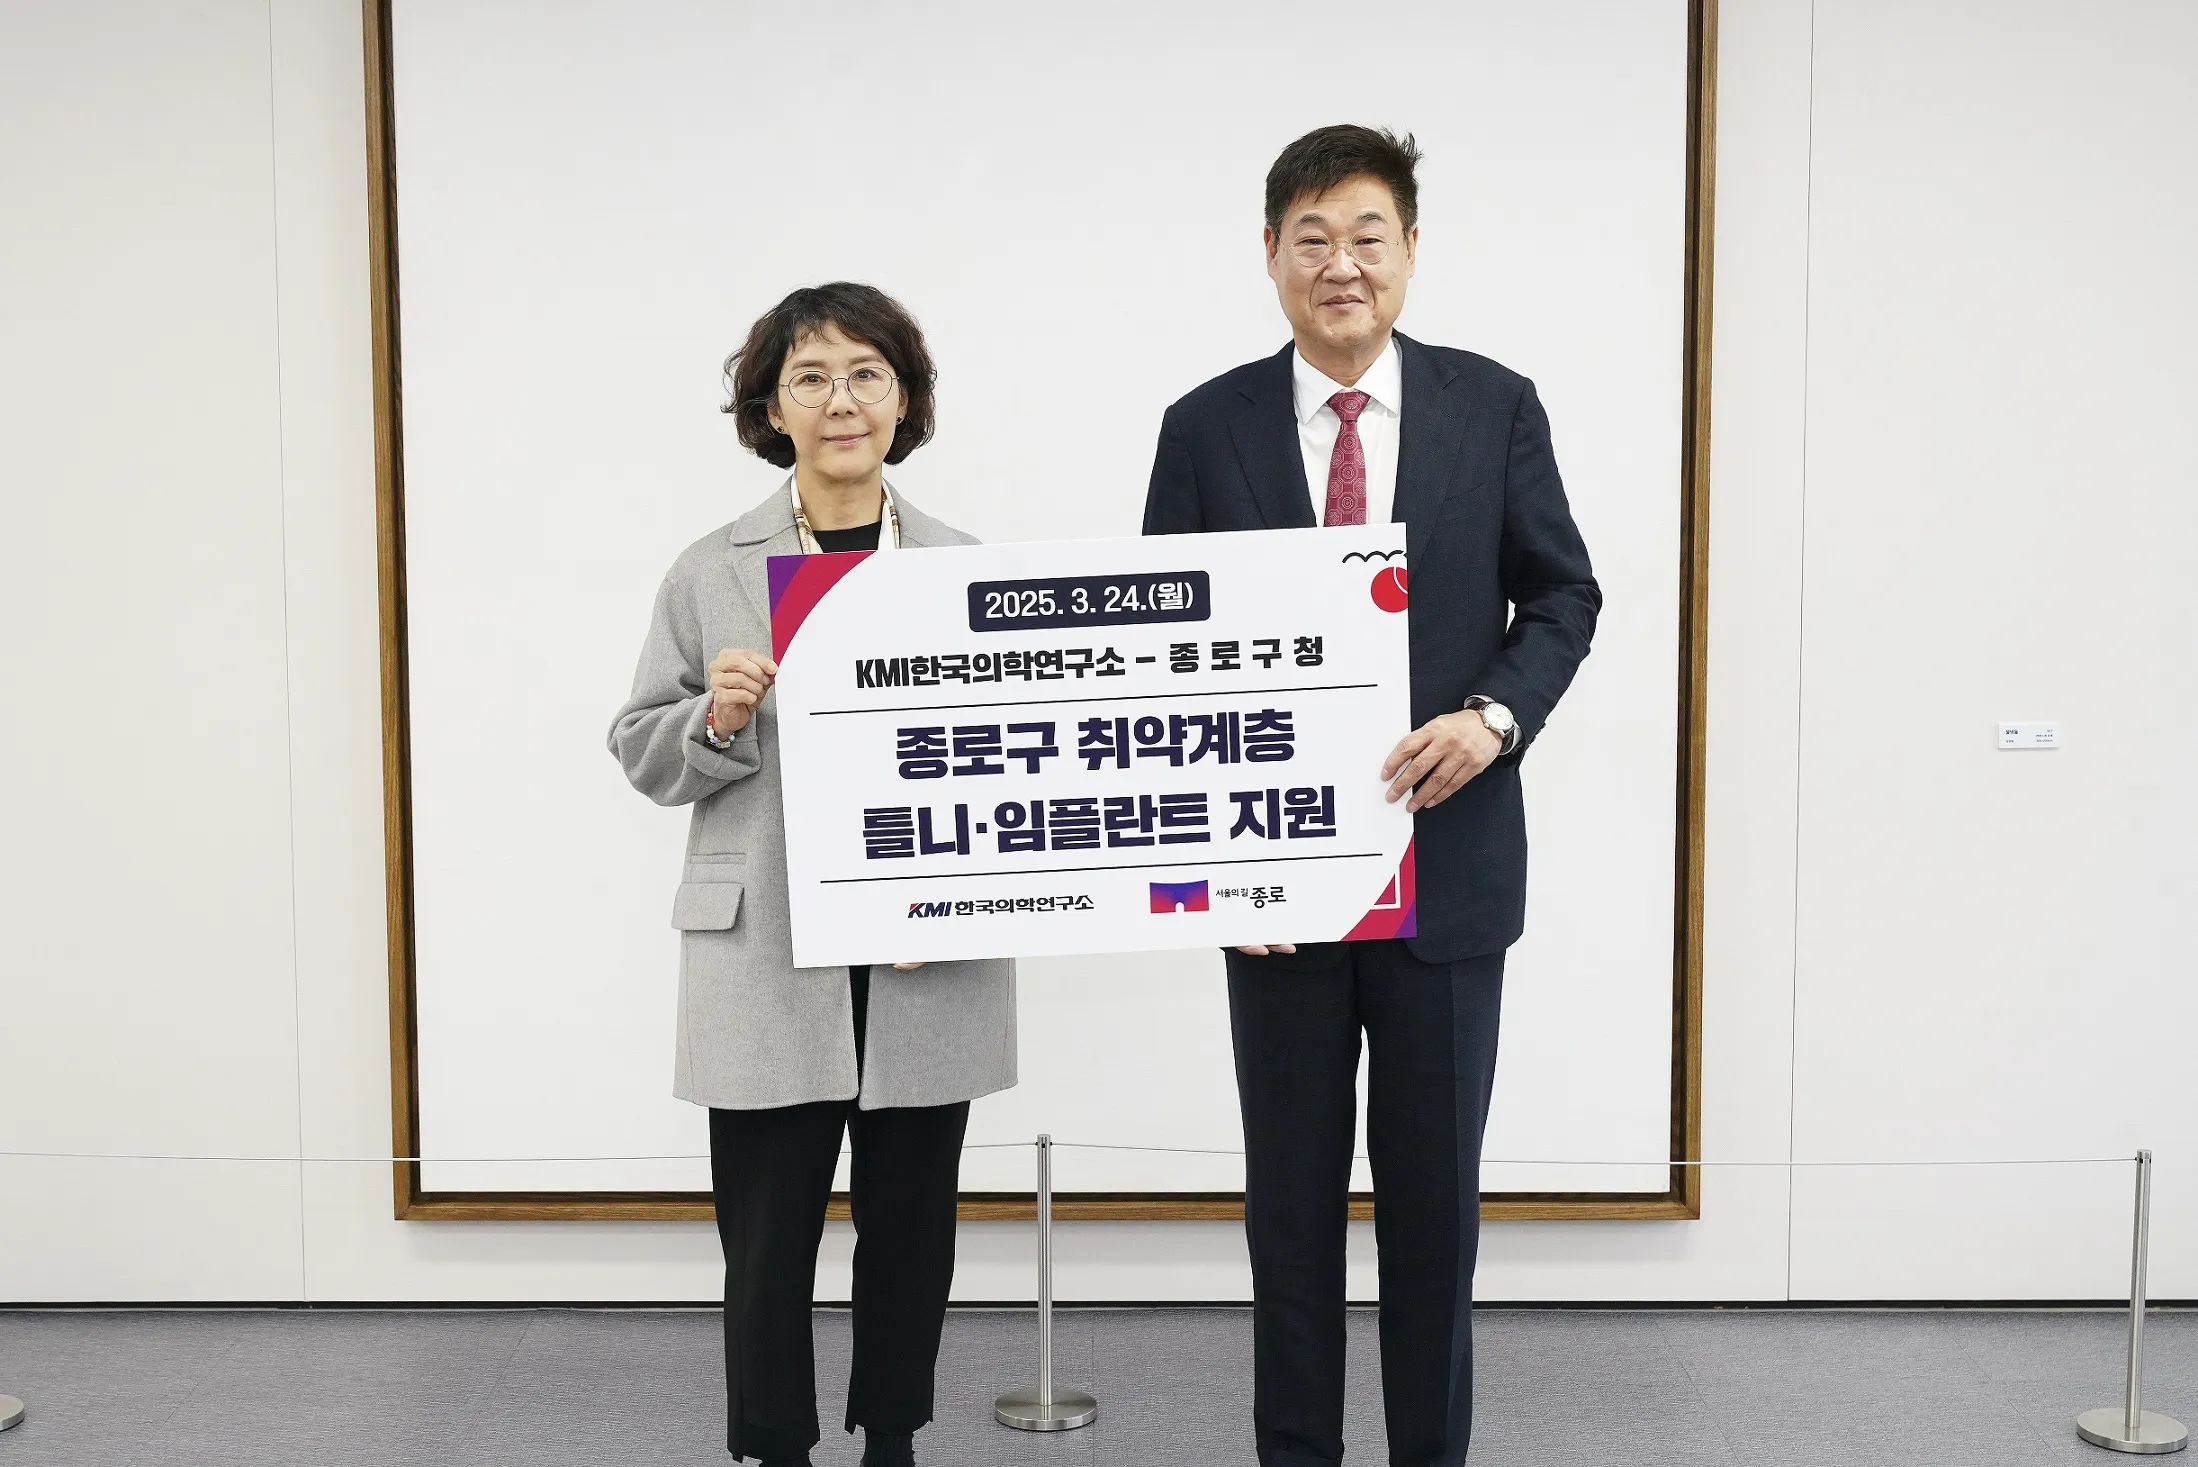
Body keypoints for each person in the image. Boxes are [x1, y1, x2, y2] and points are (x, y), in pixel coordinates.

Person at [1142, 126, 1601, 1466]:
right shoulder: (1204, 426)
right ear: (1269, 254)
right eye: (1311, 238)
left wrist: (1491, 718)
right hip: (1275, 891)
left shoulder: (1490, 404)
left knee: (1431, 1220)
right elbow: (1161, 653)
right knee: (1286, 1217)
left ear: (1408, 251)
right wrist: (1213, 872)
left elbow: (1561, 594)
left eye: (1365, 236)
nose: (1338, 263)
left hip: (1444, 882)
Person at [609, 282, 1015, 1467]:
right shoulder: (708, 571)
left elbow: (1011, 762)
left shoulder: (963, 568)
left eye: (866, 375)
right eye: (811, 378)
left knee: (912, 1232)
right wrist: (715, 718)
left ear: (904, 400)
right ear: (771, 409)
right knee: (766, 1241)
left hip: (923, 950)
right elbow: (639, 748)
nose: (841, 400)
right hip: (767, 949)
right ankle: (775, 1447)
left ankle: (893, 1438)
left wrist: (962, 890)